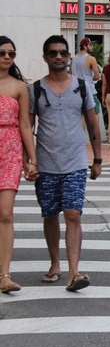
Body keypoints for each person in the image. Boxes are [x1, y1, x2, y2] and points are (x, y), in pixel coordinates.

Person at [29, 34, 102, 291]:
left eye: (62, 52)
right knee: (50, 215)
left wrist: (97, 159)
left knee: (73, 214)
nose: (58, 57)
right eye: (53, 53)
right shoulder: (35, 89)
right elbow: (27, 128)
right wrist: (31, 161)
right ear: (45, 57)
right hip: (46, 164)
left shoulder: (81, 87)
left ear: (69, 56)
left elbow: (93, 123)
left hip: (75, 163)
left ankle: (73, 272)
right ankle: (54, 263)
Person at [0, 36, 38, 294]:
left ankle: (4, 275)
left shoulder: (19, 86)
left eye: (11, 54)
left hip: (10, 149)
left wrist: (31, 159)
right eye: (2, 52)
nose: (6, 57)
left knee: (5, 214)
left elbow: (25, 124)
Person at [70, 38, 101, 118]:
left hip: (76, 90)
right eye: (90, 45)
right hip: (89, 90)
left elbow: (70, 73)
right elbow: (97, 76)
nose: (92, 47)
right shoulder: (91, 59)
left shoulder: (74, 59)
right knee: (94, 114)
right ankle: (94, 131)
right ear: (84, 46)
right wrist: (90, 78)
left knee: (81, 116)